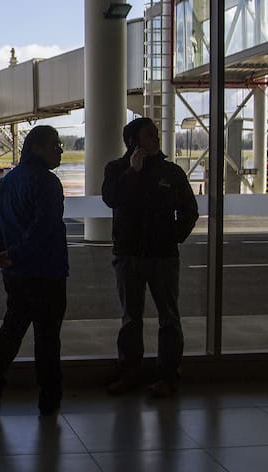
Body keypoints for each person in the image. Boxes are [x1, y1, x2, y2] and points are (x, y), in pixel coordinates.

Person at [102, 117, 199, 398]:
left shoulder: (171, 172)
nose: (156, 138)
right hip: (129, 254)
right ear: (133, 141)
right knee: (131, 318)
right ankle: (129, 372)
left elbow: (189, 210)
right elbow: (111, 198)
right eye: (150, 135)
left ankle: (168, 377)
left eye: (156, 134)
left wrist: (173, 236)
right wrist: (132, 172)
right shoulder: (117, 169)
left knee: (169, 318)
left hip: (163, 256)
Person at [0, 125, 68, 416]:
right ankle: (49, 399)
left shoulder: (8, 180)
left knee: (11, 330)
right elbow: (45, 227)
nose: (60, 150)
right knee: (47, 338)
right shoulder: (47, 182)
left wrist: (1, 253)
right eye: (55, 145)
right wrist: (16, 254)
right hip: (46, 272)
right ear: (36, 148)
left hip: (15, 273)